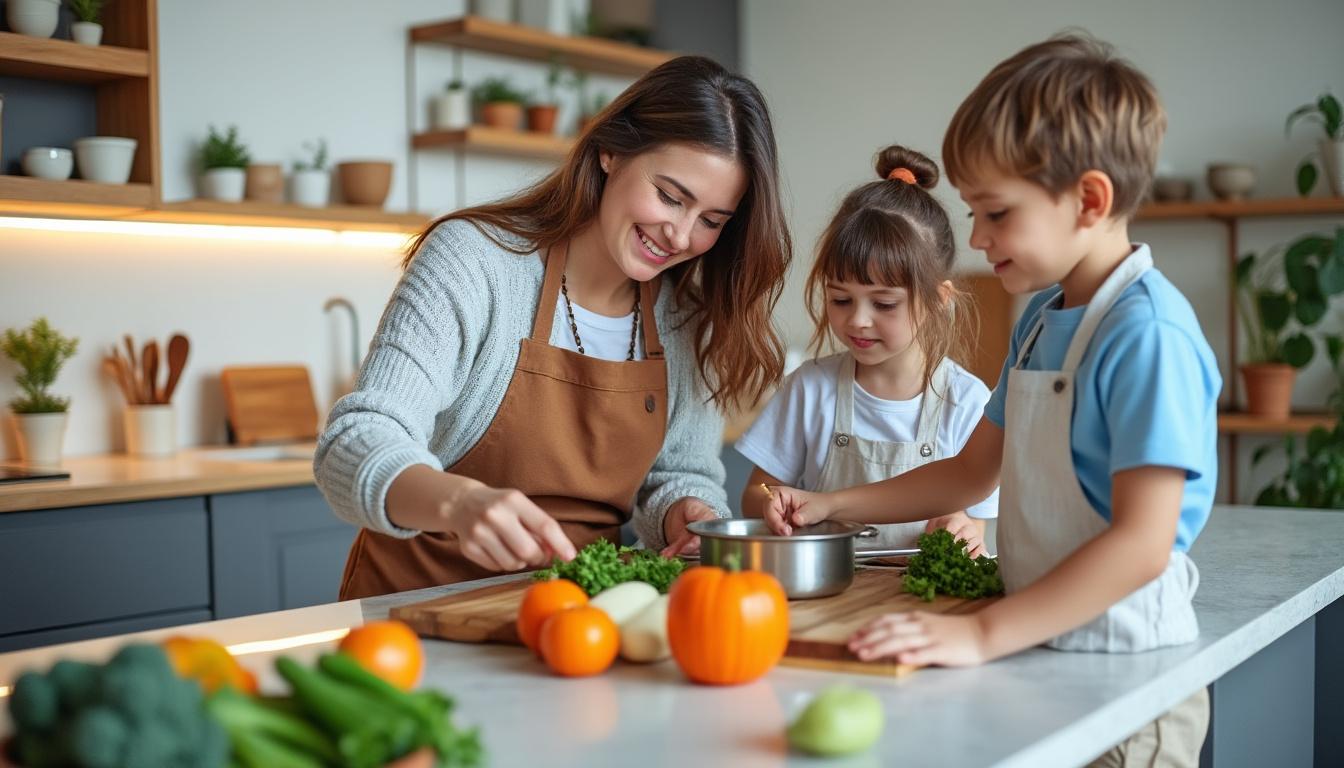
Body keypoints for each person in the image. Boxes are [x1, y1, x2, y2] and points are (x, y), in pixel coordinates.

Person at [764, 35, 1219, 766]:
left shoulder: (1149, 336)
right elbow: (972, 472)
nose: (976, 237)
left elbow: (1142, 544)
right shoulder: (1041, 320)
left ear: (1090, 200)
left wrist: (980, 633)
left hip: (1127, 685)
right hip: (1040, 649)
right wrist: (829, 507)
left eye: (996, 213)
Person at [317, 56, 792, 600]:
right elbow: (355, 440)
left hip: (578, 620)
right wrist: (458, 503)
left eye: (711, 220)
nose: (682, 235)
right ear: (610, 151)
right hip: (419, 612)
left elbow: (679, 474)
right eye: (669, 195)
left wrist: (688, 513)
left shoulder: (686, 316)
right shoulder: (475, 262)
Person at [736, 145, 996, 555]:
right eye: (841, 300)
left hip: (922, 608)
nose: (857, 320)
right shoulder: (810, 388)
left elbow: (977, 520)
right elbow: (756, 490)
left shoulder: (967, 402)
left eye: (884, 304)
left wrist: (963, 527)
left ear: (938, 301)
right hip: (827, 594)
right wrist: (774, 503)